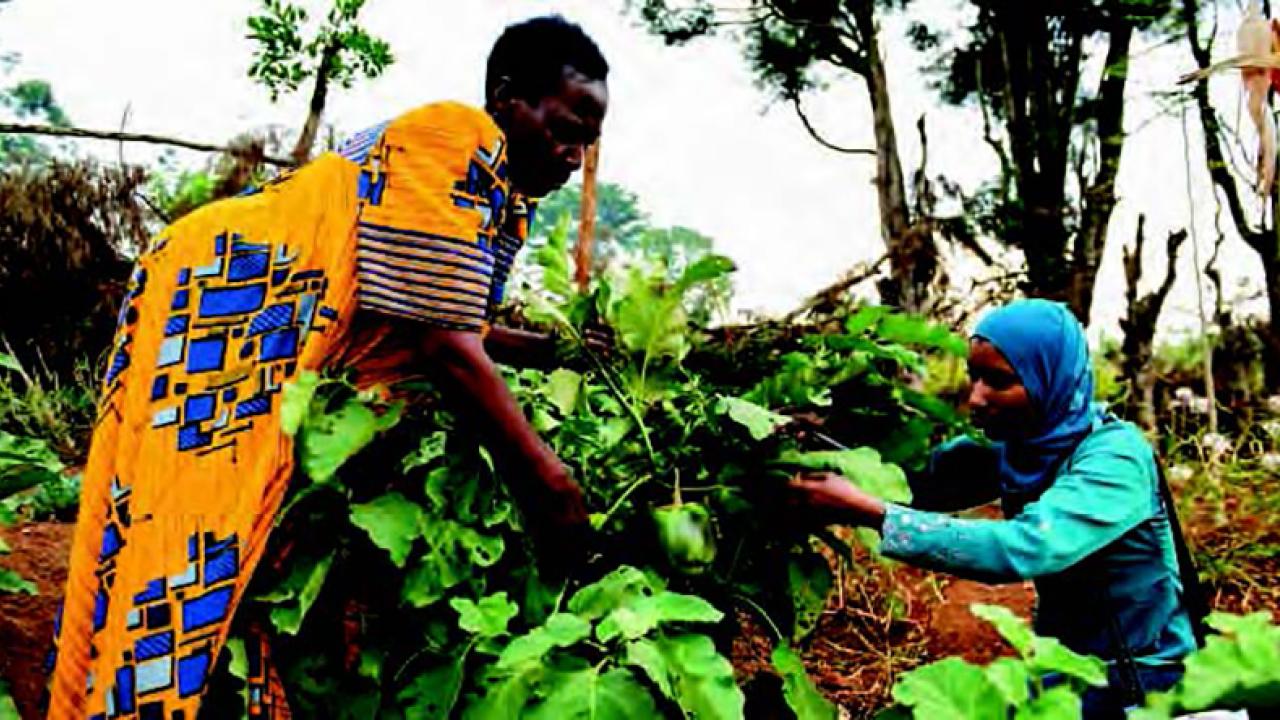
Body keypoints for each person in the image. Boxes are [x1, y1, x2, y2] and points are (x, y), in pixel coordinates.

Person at [46, 15, 608, 719]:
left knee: (233, 527)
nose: (570, 155)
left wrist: (552, 351)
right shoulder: (459, 135)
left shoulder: (502, 203)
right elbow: (442, 342)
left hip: (249, 304)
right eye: (563, 127)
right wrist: (547, 482)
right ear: (506, 98)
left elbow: (446, 317)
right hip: (232, 295)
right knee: (191, 529)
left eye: (584, 143)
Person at [789, 299, 1196, 719]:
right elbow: (916, 481)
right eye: (974, 376)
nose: (976, 397)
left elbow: (1025, 546)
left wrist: (871, 512)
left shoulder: (1114, 460)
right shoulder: (1023, 446)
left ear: (1048, 380)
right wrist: (822, 442)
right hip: (1066, 668)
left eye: (998, 381)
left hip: (1146, 680)